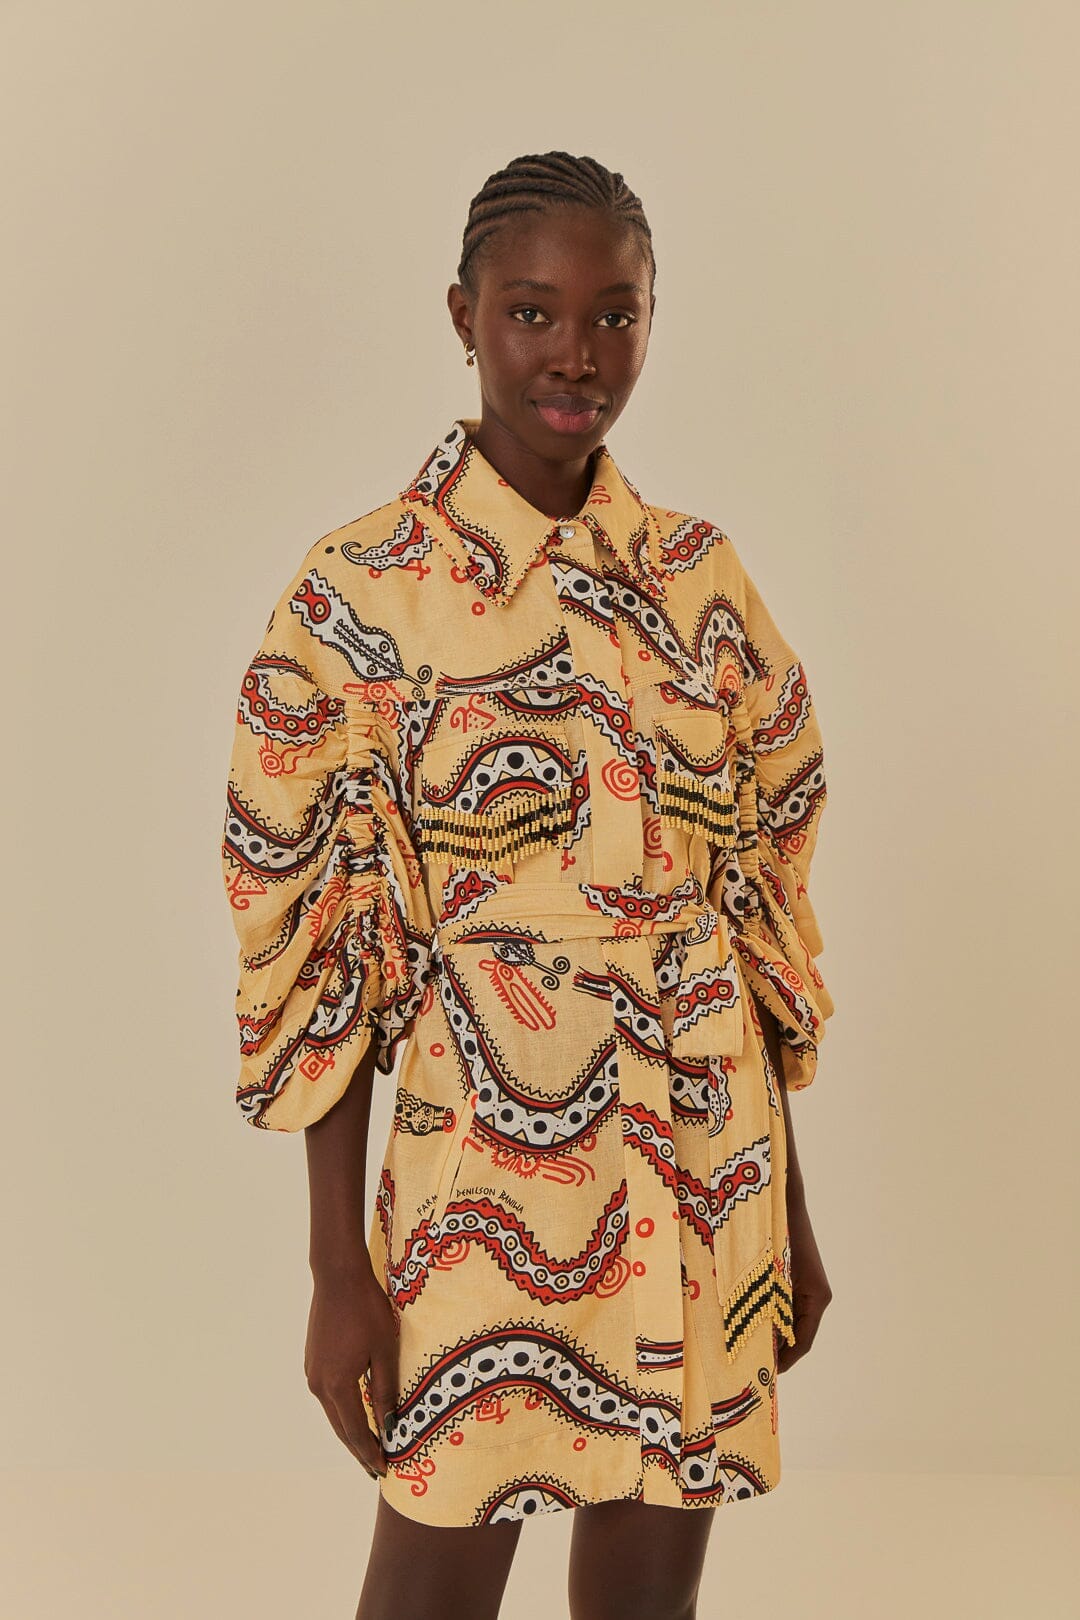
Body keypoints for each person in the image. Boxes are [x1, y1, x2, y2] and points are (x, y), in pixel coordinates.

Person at [221, 150, 835, 1620]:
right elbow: (318, 947)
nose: (578, 354)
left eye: (617, 314)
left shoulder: (702, 583)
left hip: (704, 1163)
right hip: (476, 1178)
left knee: (646, 1603)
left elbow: (752, 909)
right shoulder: (359, 597)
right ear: (464, 316)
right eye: (534, 312)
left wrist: (793, 1219)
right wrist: (335, 1272)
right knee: (426, 1596)